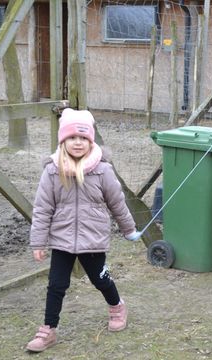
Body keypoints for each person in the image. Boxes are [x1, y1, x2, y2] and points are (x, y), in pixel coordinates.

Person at [26, 108, 141, 352]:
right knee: (56, 285)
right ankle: (48, 329)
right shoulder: (52, 171)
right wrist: (38, 242)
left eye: (83, 138)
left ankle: (117, 306)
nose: (77, 143)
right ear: (63, 140)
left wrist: (129, 229)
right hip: (62, 240)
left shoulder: (103, 170)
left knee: (101, 280)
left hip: (93, 240)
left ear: (90, 141)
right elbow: (42, 208)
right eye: (72, 138)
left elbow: (118, 204)